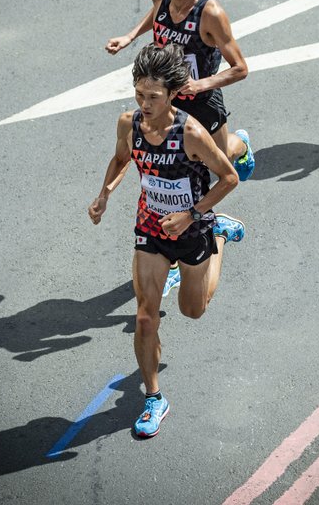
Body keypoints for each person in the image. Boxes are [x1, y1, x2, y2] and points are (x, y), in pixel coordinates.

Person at [88, 42, 245, 438]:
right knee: (145, 317)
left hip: (192, 228)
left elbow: (229, 178)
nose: (144, 103)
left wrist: (193, 213)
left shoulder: (190, 132)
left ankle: (221, 236)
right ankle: (153, 397)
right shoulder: (130, 123)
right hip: (150, 228)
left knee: (193, 310)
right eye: (139, 94)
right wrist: (104, 195)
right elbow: (122, 158)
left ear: (173, 94)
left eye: (153, 97)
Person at [106, 0, 255, 296]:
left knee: (210, 169)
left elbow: (240, 68)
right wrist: (129, 36)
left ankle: (238, 156)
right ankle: (170, 259)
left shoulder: (211, 14)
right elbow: (155, 13)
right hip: (165, 102)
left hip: (201, 105)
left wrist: (200, 85)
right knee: (170, 178)